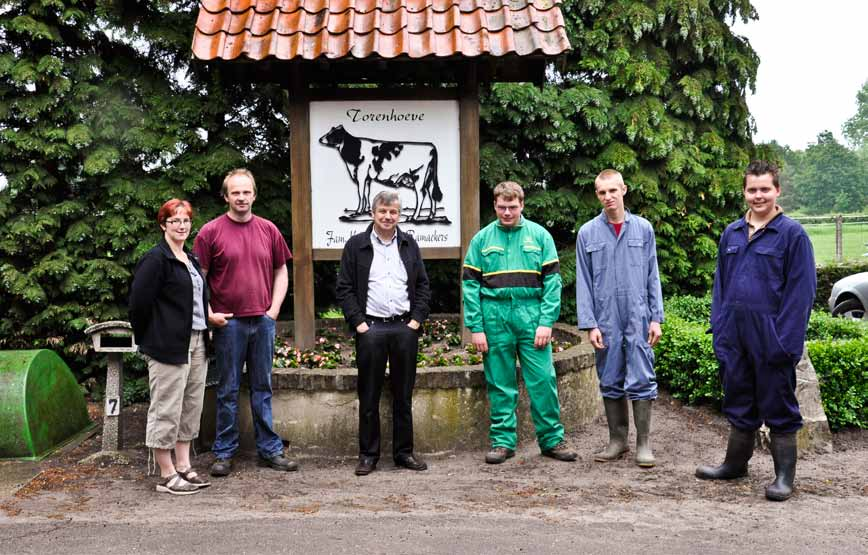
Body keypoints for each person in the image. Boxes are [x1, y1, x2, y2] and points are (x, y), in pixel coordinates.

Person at [696, 160, 816, 501]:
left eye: (765, 189)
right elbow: (721, 286)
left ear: (777, 190)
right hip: (734, 336)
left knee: (778, 405)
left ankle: (783, 479)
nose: (758, 195)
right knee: (738, 400)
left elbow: (801, 293)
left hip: (771, 339)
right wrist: (719, 330)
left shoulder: (792, 235)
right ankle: (735, 465)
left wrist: (785, 343)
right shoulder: (731, 233)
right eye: (752, 189)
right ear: (745, 192)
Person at [462, 181, 577, 464]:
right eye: (502, 207)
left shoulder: (539, 236)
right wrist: (476, 328)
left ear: (522, 205)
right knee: (500, 383)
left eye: (512, 207)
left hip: (532, 317)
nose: (507, 212)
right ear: (495, 206)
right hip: (494, 318)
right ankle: (503, 442)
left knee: (543, 380)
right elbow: (469, 286)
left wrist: (546, 322)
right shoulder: (482, 240)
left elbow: (552, 283)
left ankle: (551, 440)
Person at [193, 168, 297, 477]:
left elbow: (281, 270)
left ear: (254, 194)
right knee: (227, 389)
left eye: (246, 191)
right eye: (235, 192)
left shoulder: (268, 230)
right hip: (230, 324)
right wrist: (209, 313)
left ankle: (270, 449)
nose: (241, 197)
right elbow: (198, 278)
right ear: (226, 196)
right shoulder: (210, 233)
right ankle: (224, 452)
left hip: (262, 322)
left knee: (262, 388)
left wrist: (274, 310)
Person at [335, 191, 432, 476]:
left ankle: (404, 453)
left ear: (399, 215)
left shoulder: (408, 243)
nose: (388, 217)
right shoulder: (357, 245)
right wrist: (359, 324)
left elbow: (423, 286)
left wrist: (415, 322)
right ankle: (368, 455)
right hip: (371, 329)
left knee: (403, 394)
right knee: (369, 394)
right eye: (383, 212)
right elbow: (345, 288)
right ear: (373, 213)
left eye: (393, 212)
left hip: (404, 328)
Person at [575, 169, 664, 468]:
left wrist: (656, 318)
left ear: (624, 190)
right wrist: (590, 324)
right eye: (602, 192)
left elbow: (653, 276)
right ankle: (617, 441)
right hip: (606, 318)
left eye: (613, 190)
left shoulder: (643, 229)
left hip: (638, 316)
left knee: (642, 377)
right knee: (610, 378)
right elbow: (584, 282)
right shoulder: (587, 233)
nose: (608, 197)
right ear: (597, 195)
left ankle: (644, 444)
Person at [129, 199, 211, 495]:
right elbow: (138, 305)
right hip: (167, 344)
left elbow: (195, 301)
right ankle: (166, 473)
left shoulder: (190, 258)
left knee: (190, 406)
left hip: (198, 339)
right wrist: (150, 339)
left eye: (186, 221)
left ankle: (184, 466)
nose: (181, 226)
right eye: (174, 221)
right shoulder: (156, 259)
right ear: (163, 224)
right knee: (167, 407)